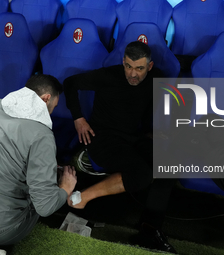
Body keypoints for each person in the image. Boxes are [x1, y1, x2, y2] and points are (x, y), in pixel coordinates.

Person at [64, 41, 177, 253]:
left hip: (132, 138)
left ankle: (149, 231)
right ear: (123, 62)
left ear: (150, 67)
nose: (132, 74)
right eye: (128, 66)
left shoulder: (156, 77)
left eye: (139, 68)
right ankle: (80, 198)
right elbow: (70, 83)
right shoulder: (108, 75)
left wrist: (154, 131)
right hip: (102, 139)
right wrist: (78, 118)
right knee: (142, 174)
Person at [0, 74, 77, 248]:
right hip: (0, 233)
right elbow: (45, 207)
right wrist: (65, 188)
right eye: (53, 107)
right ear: (46, 99)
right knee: (42, 197)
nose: (52, 112)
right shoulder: (41, 135)